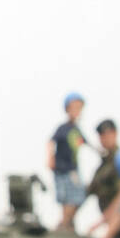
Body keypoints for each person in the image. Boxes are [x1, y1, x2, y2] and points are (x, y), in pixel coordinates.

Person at [47, 94, 88, 230]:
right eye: (74, 107)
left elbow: (87, 143)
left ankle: (67, 221)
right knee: (65, 197)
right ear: (67, 109)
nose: (76, 111)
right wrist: (50, 158)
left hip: (73, 169)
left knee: (77, 195)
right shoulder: (63, 128)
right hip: (62, 168)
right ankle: (65, 222)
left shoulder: (77, 130)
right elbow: (51, 141)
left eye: (79, 108)